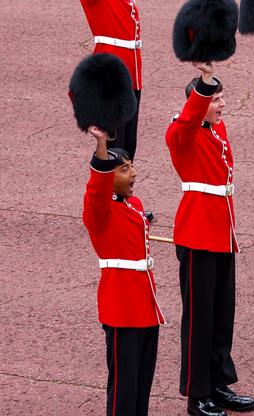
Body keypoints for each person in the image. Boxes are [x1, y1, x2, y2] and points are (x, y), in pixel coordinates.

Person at [166, 62, 254, 415]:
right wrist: (205, 82)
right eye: (215, 99)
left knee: (221, 314)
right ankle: (196, 393)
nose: (222, 105)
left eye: (221, 98)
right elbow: (186, 123)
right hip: (197, 232)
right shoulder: (181, 131)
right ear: (197, 103)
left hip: (221, 231)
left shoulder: (216, 131)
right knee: (199, 318)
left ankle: (217, 383)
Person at [84, 127, 164, 416]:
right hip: (121, 306)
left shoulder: (134, 205)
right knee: (123, 385)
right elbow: (97, 188)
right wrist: (102, 145)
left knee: (142, 381)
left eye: (131, 167)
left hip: (144, 304)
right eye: (125, 169)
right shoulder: (99, 210)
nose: (133, 174)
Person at [81, 0, 143, 160]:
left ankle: (122, 194)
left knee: (129, 143)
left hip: (132, 75)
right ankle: (109, 193)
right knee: (114, 145)